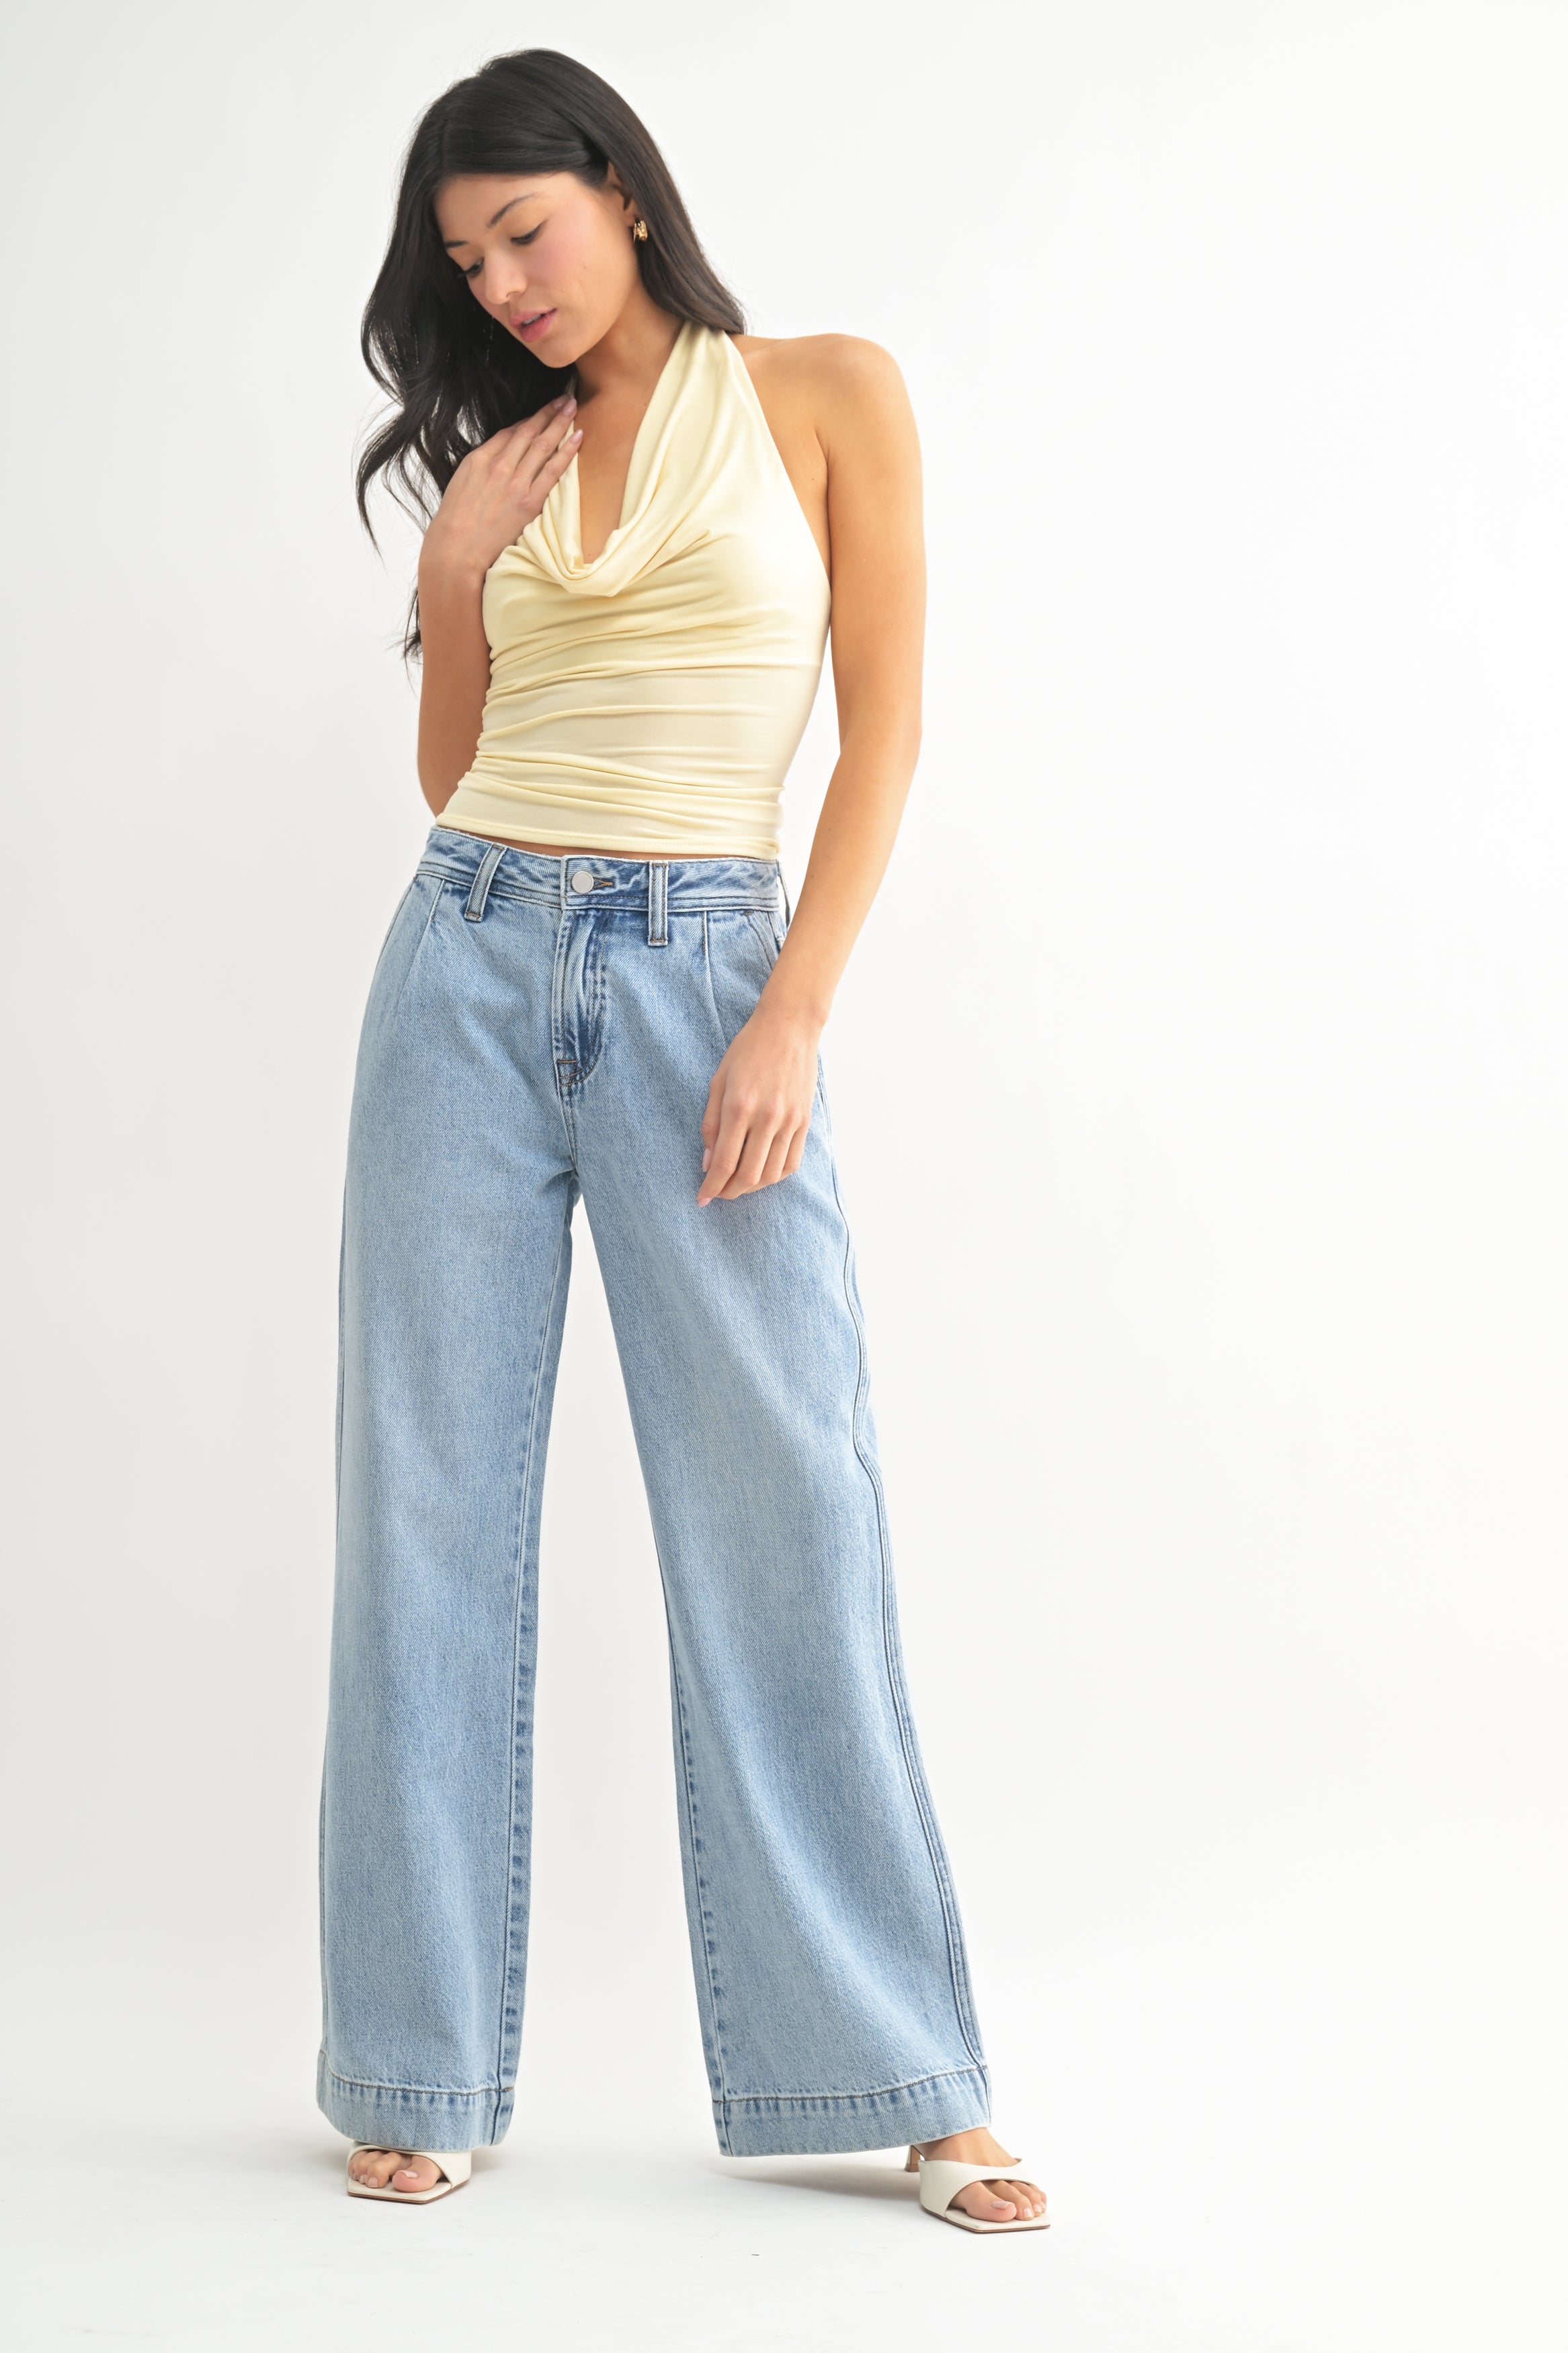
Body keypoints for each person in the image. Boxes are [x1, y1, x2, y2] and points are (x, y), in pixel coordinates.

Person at [318, 46, 1046, 2235]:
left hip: (708, 967)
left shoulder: (824, 394)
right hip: (465, 964)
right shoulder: (507, 454)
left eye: (523, 231)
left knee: (785, 1503)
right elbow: (455, 775)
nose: (503, 285)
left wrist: (791, 1009)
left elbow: (884, 729)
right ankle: (416, 2063)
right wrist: (461, 569)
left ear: (622, 187)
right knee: (426, 1512)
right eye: (467, 263)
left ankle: (907, 2073)